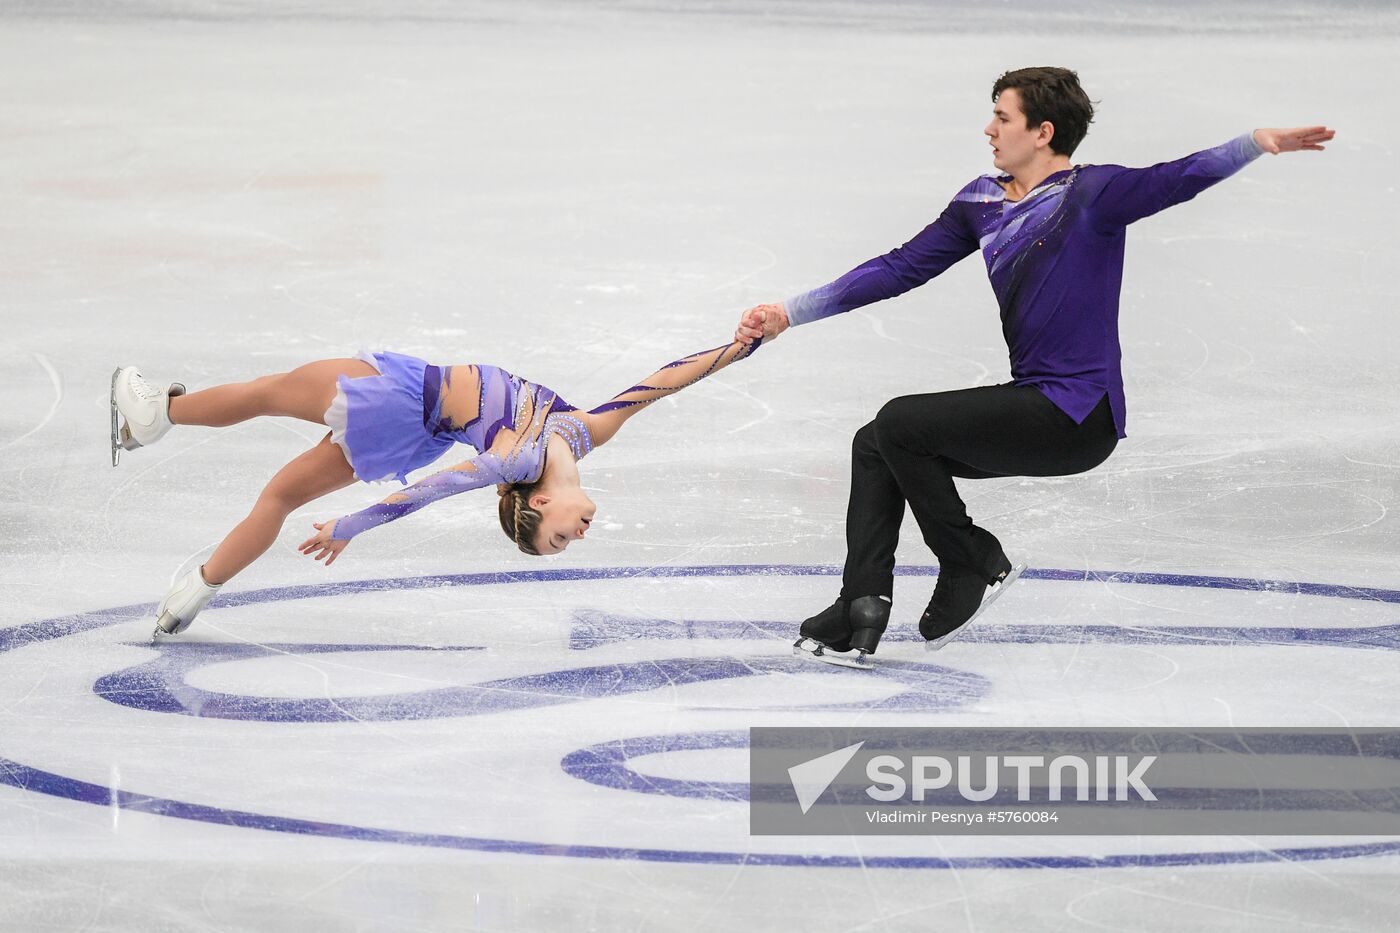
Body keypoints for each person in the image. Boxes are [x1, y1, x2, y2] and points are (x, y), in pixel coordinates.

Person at [734, 66, 1333, 670]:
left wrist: (1253, 143)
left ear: (1042, 132)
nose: (989, 129)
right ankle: (860, 603)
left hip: (1077, 414)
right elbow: (899, 268)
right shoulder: (981, 203)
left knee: (898, 424)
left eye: (1003, 116)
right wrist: (790, 312)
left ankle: (970, 557)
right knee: (877, 443)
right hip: (1033, 405)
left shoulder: (1092, 195)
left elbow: (1175, 179)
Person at [110, 338, 758, 636]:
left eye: (560, 537)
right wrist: (740, 347)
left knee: (265, 393)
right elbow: (666, 380)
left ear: (538, 502)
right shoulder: (586, 433)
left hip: (402, 396)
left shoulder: (517, 459)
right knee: (278, 497)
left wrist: (350, 525)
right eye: (569, 539)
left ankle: (158, 412)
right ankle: (194, 591)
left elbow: (432, 491)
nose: (578, 535)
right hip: (416, 428)